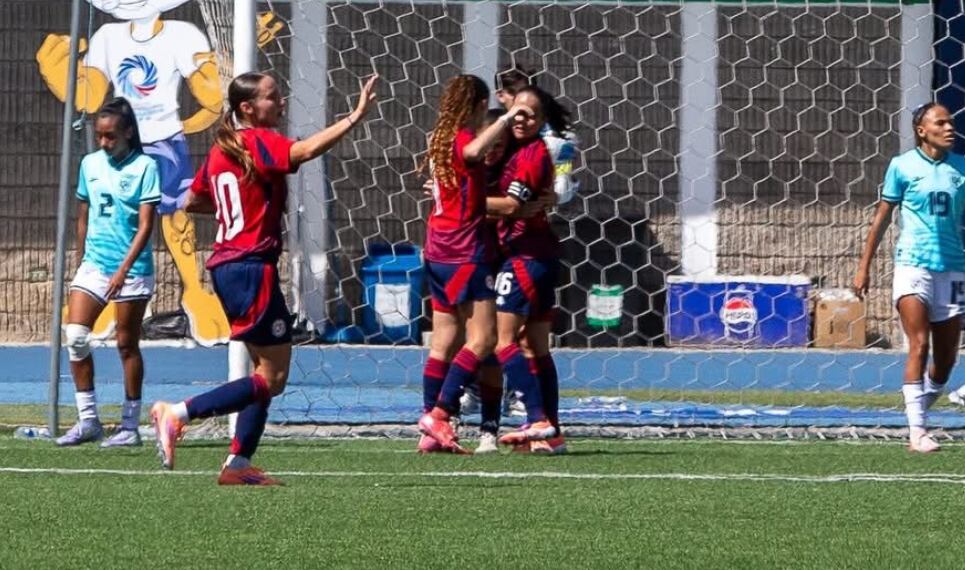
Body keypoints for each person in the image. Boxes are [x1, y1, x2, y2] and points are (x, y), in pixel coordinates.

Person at [150, 71, 377, 484]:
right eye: (273, 97)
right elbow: (304, 152)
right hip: (252, 267)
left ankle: (238, 465)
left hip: (228, 266)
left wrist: (236, 203)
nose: (282, 101)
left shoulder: (224, 149)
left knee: (262, 373)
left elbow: (194, 199)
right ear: (247, 109)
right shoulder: (257, 141)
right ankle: (177, 413)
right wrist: (354, 116)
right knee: (273, 377)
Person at [418, 75, 533, 453]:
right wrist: (507, 117)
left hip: (436, 247)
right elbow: (470, 154)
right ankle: (439, 414)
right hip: (463, 250)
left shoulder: (437, 138)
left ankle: (428, 433)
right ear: (481, 105)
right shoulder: (465, 139)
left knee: (443, 341)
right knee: (484, 339)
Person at [853, 102, 965, 453]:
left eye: (951, 123)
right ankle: (917, 432)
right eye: (941, 122)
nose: (950, 128)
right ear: (922, 130)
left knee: (946, 360)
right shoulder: (901, 166)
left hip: (953, 267)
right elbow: (882, 218)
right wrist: (864, 265)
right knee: (919, 343)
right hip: (912, 265)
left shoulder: (961, 168)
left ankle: (921, 405)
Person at [56, 97, 161, 448]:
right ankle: (88, 421)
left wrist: (124, 269)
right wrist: (82, 255)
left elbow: (146, 226)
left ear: (128, 132)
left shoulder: (145, 166)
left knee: (126, 344)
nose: (104, 143)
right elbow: (83, 214)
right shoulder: (90, 164)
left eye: (111, 136)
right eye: (100, 136)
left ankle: (130, 426)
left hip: (132, 269)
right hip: (95, 265)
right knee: (76, 336)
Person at [488, 86, 567, 453]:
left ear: (542, 122)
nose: (521, 120)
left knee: (501, 340)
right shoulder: (515, 145)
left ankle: (536, 418)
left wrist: (457, 201)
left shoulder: (532, 155)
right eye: (517, 112)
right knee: (534, 346)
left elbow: (509, 206)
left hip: (525, 257)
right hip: (540, 255)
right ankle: (551, 433)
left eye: (531, 116)